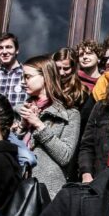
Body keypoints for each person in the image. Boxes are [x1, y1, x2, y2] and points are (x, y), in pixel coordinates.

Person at [19, 55, 81, 196]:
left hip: (47, 192)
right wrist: (22, 126)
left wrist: (39, 125)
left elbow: (65, 156)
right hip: (17, 189)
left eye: (28, 77)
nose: (23, 81)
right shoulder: (20, 110)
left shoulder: (69, 114)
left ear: (45, 76)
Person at [0, 32, 28, 111]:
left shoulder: (27, 74)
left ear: (17, 50)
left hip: (20, 122)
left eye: (8, 47)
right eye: (0, 48)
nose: (4, 52)